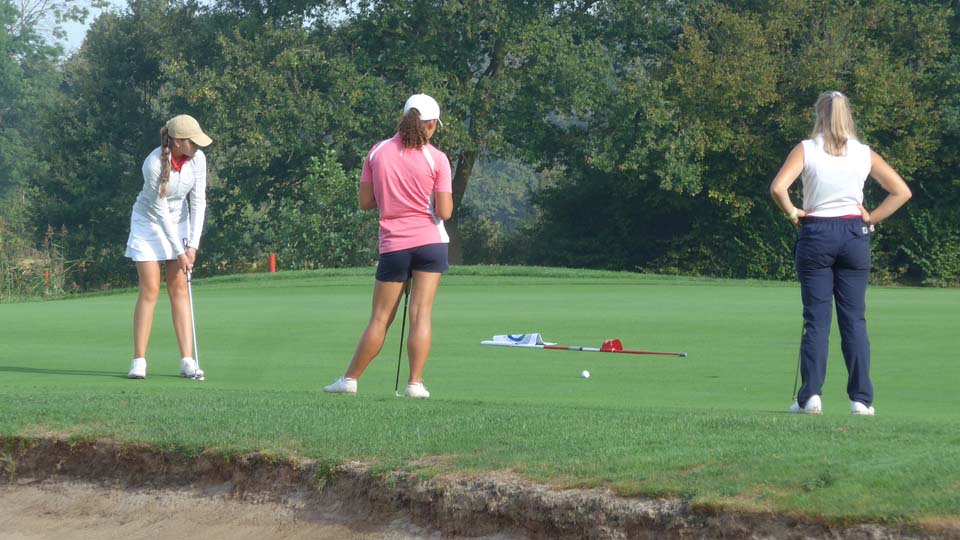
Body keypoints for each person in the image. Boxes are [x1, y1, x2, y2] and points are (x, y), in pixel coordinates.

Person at [770, 91, 911, 415]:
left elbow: (779, 188)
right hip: (853, 236)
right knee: (854, 321)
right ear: (848, 116)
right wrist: (871, 218)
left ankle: (811, 397)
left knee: (817, 320)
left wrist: (793, 213)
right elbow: (901, 191)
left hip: (817, 233)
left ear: (819, 114)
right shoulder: (863, 153)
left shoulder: (806, 149)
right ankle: (861, 400)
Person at [324, 94, 453, 398]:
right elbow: (445, 212)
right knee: (421, 314)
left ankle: (350, 379)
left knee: (381, 318)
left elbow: (366, 202)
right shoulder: (437, 159)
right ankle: (415, 384)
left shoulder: (378, 152)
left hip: (394, 245)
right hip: (431, 243)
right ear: (431, 125)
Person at [125, 115, 212, 379]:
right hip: (149, 223)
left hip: (180, 222)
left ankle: (187, 360)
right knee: (150, 288)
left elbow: (198, 202)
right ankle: (139, 360)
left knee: (179, 287)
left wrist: (192, 246)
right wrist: (178, 251)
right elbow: (160, 212)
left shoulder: (198, 159)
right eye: (192, 141)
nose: (197, 146)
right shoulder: (152, 165)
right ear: (176, 142)